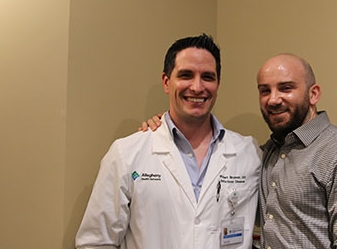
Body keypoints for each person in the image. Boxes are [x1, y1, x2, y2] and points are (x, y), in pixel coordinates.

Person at [141, 53, 337, 249]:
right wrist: (164, 130)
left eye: (286, 88)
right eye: (265, 90)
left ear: (314, 94)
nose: (273, 99)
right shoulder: (263, 154)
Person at [75, 34, 262, 249]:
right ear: (166, 82)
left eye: (208, 77)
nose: (197, 87)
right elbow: (96, 242)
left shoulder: (249, 153)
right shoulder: (127, 153)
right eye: (186, 75)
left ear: (218, 84)